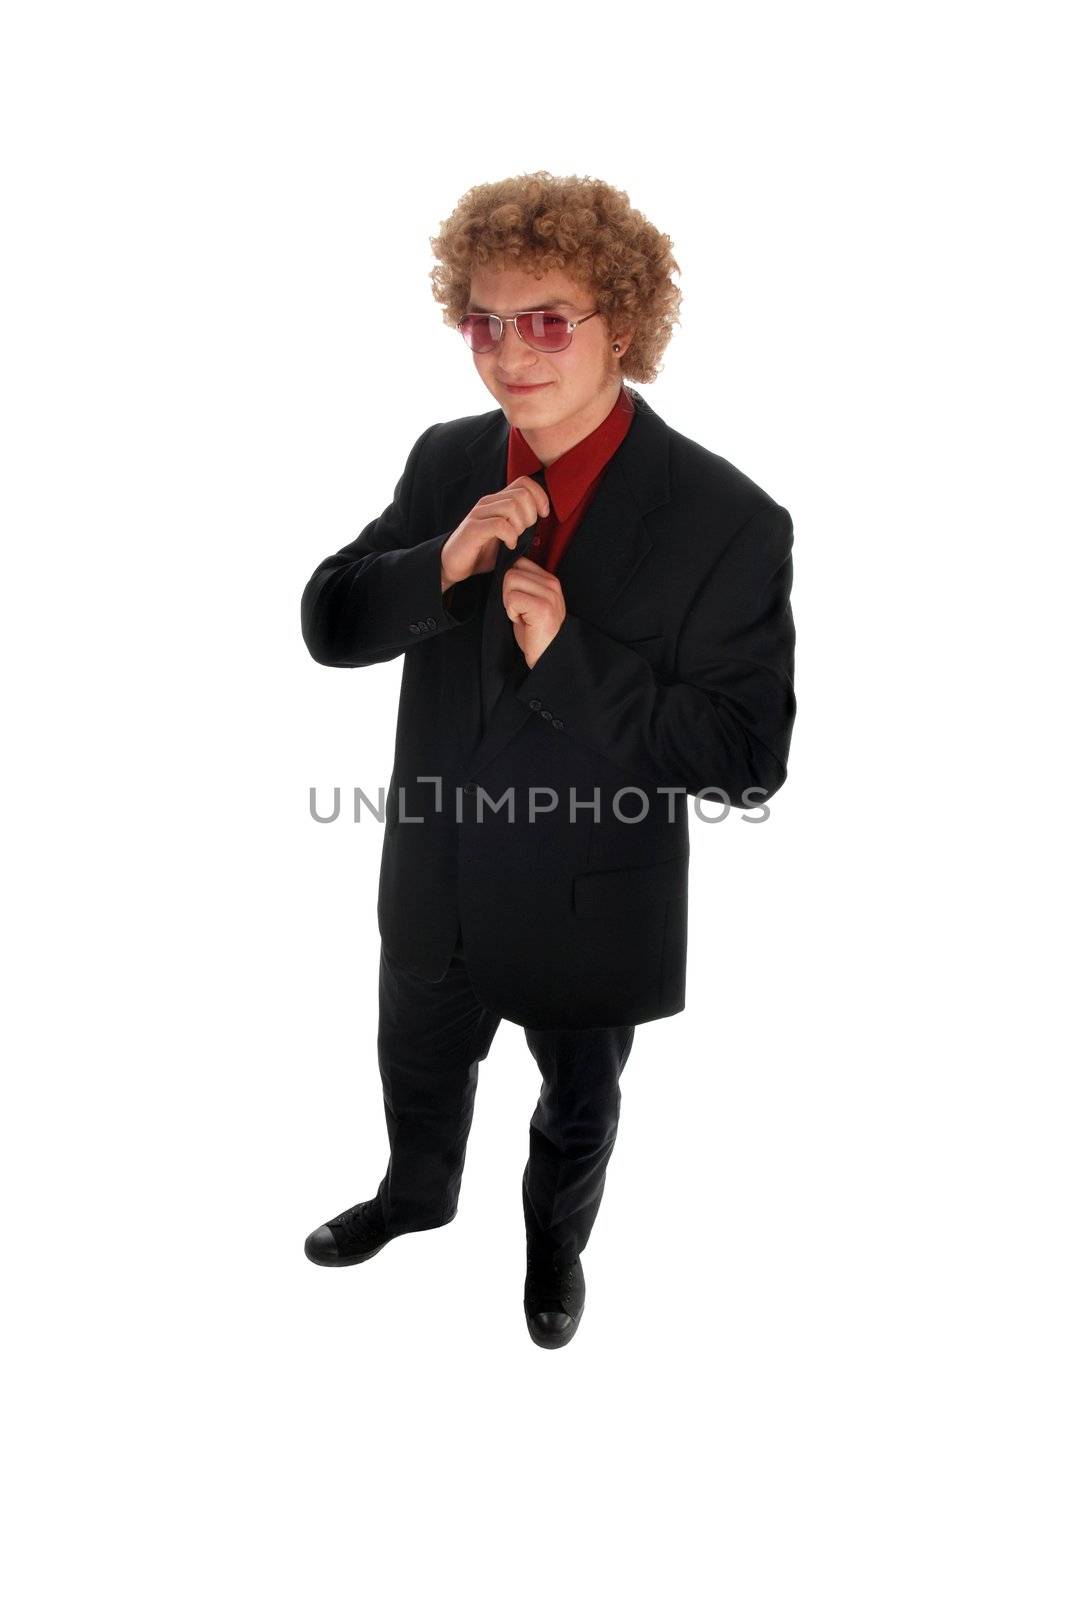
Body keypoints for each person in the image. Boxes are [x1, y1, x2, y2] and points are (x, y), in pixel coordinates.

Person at [299, 171, 796, 1348]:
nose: (510, 352)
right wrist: (439, 567)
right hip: (432, 879)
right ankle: (416, 1196)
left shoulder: (728, 520)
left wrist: (574, 660)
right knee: (417, 1068)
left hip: (589, 902)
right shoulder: (444, 460)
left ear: (620, 323)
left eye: (547, 320)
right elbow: (328, 623)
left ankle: (552, 1253)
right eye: (485, 320)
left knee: (576, 1108)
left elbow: (747, 756)